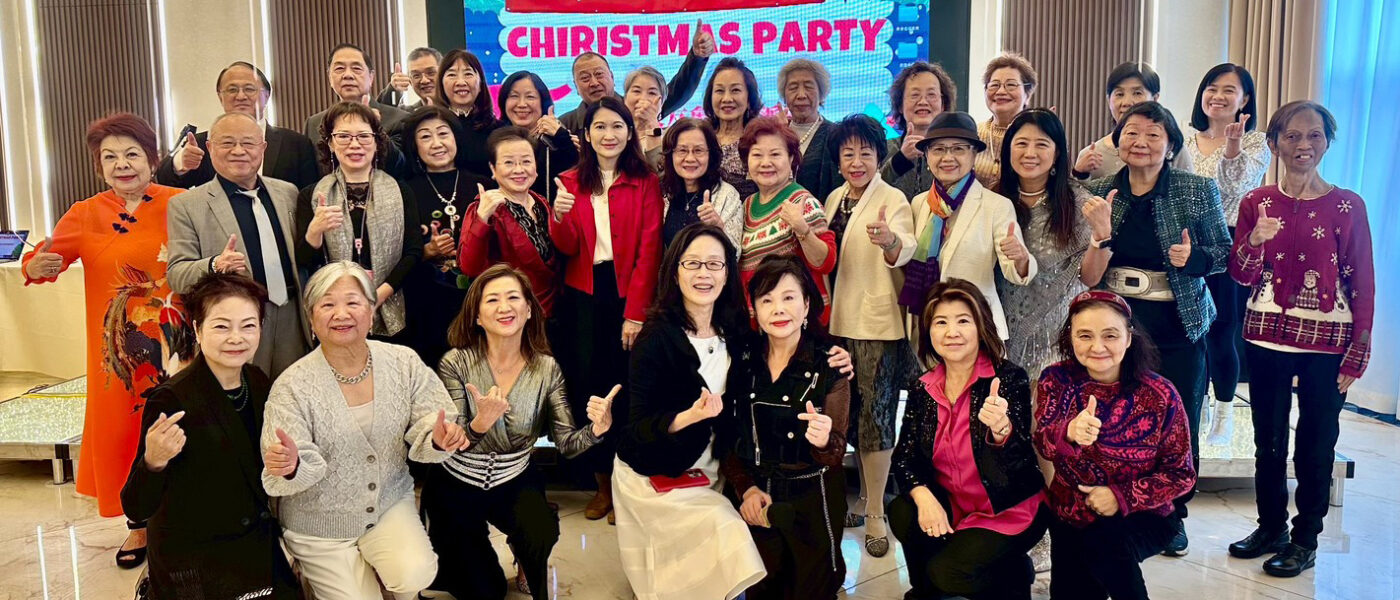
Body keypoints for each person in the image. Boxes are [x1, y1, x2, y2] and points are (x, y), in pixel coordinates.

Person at [21, 112, 194, 568]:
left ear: (152, 159)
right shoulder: (85, 213)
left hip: (176, 344)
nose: (122, 165)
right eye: (110, 157)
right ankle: (139, 524)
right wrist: (35, 265)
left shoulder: (181, 203)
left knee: (182, 423)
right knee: (127, 432)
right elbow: (45, 259)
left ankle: (185, 519)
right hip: (115, 354)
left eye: (132, 154)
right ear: (99, 167)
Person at [261, 261, 466, 600]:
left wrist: (438, 437)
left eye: (353, 302)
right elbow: (284, 463)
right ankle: (316, 573)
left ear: (372, 312)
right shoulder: (292, 385)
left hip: (387, 502)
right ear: (311, 318)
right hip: (320, 523)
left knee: (416, 573)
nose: (341, 314)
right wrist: (291, 465)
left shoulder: (403, 362)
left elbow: (433, 419)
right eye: (327, 304)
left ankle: (380, 572)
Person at [1227, 101, 1373, 577]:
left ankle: (1305, 538)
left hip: (1327, 345)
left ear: (1327, 142)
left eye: (1313, 135)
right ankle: (1270, 527)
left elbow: (1363, 281)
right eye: (1291, 136)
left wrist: (1358, 350)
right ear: (1273, 144)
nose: (1302, 145)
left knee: (1316, 443)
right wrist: (1254, 242)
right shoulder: (1256, 202)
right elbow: (1240, 276)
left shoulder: (1348, 206)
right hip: (1265, 339)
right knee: (1267, 441)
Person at [1081, 101, 1230, 556]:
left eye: (1152, 135)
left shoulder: (1196, 189)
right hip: (1116, 331)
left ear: (1170, 145)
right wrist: (1100, 234)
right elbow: (1086, 274)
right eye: (1131, 133)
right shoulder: (1100, 191)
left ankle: (1172, 514)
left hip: (1177, 325)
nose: (1140, 142)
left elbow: (1224, 253)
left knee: (1177, 421)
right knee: (1118, 419)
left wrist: (1195, 259)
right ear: (1118, 140)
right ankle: (1119, 503)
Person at [425, 264, 613, 600]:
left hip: (513, 477)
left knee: (539, 531)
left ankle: (525, 555)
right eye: (492, 300)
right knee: (485, 591)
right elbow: (453, 442)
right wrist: (481, 423)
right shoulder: (455, 362)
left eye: (513, 297)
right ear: (477, 316)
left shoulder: (547, 368)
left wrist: (597, 430)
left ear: (528, 310)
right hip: (456, 482)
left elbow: (567, 444)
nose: (504, 307)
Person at [121, 273, 301, 599]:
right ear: (197, 329)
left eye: (248, 325)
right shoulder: (171, 398)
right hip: (194, 555)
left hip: (252, 542)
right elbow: (135, 505)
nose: (236, 338)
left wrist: (288, 463)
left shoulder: (257, 381)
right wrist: (154, 461)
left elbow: (262, 467)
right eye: (221, 326)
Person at [613, 224, 767, 599]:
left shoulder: (737, 334)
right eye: (693, 263)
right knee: (725, 530)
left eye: (714, 264)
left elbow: (785, 348)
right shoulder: (655, 338)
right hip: (654, 470)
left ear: (728, 273)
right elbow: (636, 430)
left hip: (711, 466)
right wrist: (689, 417)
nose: (704, 273)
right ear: (675, 271)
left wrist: (832, 356)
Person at [888, 278, 1048, 600]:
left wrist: (1001, 430)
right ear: (928, 331)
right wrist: (924, 497)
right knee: (903, 511)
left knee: (948, 573)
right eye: (941, 322)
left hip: (1007, 509)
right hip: (954, 502)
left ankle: (1013, 574)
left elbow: (1020, 463)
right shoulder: (923, 387)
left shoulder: (1007, 379)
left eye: (963, 321)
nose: (952, 332)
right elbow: (904, 457)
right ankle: (926, 592)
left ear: (981, 326)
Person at [1034, 291, 1195, 600]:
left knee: (1106, 544)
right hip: (1071, 512)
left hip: (1143, 513)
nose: (1097, 347)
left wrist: (1120, 497)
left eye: (1110, 335)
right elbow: (1043, 443)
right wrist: (1069, 432)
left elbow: (1181, 475)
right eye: (1085, 335)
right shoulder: (1056, 380)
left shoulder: (1160, 394)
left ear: (1129, 337)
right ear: (1070, 337)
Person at [549, 96, 663, 523]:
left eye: (617, 126)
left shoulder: (645, 181)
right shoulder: (569, 181)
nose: (608, 134)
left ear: (630, 132)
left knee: (629, 387)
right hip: (582, 294)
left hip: (628, 292)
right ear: (586, 134)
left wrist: (636, 313)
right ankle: (600, 485)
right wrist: (559, 217)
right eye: (600, 126)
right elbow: (565, 248)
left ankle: (627, 484)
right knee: (589, 386)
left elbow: (650, 249)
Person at [722, 255, 851, 599]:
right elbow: (729, 438)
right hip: (757, 495)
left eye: (789, 297)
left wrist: (824, 441)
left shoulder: (831, 362)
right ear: (754, 310)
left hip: (813, 495)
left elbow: (835, 452)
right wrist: (746, 488)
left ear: (807, 305)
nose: (778, 309)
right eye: (767, 300)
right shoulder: (742, 359)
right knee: (760, 587)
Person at [820, 114, 919, 556]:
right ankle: (861, 497)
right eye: (848, 153)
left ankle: (877, 510)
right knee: (851, 412)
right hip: (837, 324)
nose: (856, 161)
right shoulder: (833, 198)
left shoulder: (892, 198)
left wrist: (889, 241)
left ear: (880, 156)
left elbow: (905, 247)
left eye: (865, 152)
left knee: (876, 418)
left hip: (876, 325)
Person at [167, 112, 309, 378]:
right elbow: (177, 275)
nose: (239, 151)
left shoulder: (287, 192)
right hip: (235, 323)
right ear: (210, 148)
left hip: (292, 315)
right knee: (243, 395)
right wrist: (214, 265)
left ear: (262, 148)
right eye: (227, 143)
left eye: (248, 143)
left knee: (296, 392)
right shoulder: (186, 205)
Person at [1182, 63, 1269, 445]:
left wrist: (1232, 146)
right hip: (1186, 242)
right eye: (1211, 88)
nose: (1217, 96)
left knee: (1221, 330)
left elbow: (1236, 187)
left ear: (1244, 99)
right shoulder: (1185, 140)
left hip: (1229, 241)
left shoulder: (1256, 142)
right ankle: (1195, 406)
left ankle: (1224, 413)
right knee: (1190, 330)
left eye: (1228, 90)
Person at [902, 111, 1037, 338]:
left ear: (974, 154)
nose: (947, 157)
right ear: (926, 155)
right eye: (938, 149)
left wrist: (1021, 259)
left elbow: (1014, 272)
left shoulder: (996, 206)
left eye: (958, 149)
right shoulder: (919, 203)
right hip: (926, 327)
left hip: (977, 328)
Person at [295, 101, 422, 340]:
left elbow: (413, 253)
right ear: (330, 143)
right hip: (336, 311)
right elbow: (304, 261)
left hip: (393, 305)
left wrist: (376, 297)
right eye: (343, 136)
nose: (354, 144)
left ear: (376, 141)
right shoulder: (311, 195)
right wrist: (315, 231)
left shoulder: (400, 191)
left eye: (363, 136)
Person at [997, 109, 1104, 382]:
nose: (1030, 153)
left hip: (1059, 340)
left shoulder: (1078, 204)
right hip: (1000, 338)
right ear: (1008, 150)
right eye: (1021, 143)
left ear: (1056, 154)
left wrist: (1101, 234)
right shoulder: (993, 201)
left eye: (1041, 144)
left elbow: (1090, 277)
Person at [399, 105, 490, 366]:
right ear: (414, 146)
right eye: (425, 137)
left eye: (443, 134)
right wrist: (427, 251)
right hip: (426, 302)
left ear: (456, 138)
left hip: (478, 300)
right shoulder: (404, 190)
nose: (437, 143)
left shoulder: (483, 184)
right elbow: (394, 253)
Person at [157, 61, 319, 190]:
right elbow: (162, 181)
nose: (241, 96)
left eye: (249, 89)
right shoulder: (200, 144)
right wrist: (180, 163)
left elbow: (309, 195)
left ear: (267, 95)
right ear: (220, 96)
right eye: (232, 90)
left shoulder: (296, 144)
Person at [737, 117, 837, 324]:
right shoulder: (747, 205)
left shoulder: (802, 201)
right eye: (757, 155)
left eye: (775, 154)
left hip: (799, 322)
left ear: (791, 158)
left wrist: (802, 229)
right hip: (760, 321)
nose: (766, 163)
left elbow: (825, 262)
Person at [459, 126, 561, 315]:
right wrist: (482, 218)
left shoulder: (542, 203)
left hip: (554, 310)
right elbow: (469, 267)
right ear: (493, 168)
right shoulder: (484, 208)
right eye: (508, 163)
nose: (519, 169)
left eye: (526, 161)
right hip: (511, 312)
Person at [557, 23, 715, 134]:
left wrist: (697, 58)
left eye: (599, 74)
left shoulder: (637, 107)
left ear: (612, 77)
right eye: (585, 78)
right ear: (576, 87)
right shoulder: (565, 125)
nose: (594, 83)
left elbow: (678, 91)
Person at [1073, 62, 1193, 180]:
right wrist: (1079, 173)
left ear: (1155, 98)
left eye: (1137, 93)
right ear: (1109, 100)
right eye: (1119, 94)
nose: (1127, 102)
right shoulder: (1091, 155)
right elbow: (1076, 191)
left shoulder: (1172, 147)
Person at [658, 118, 742, 249]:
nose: (690, 158)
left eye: (698, 150)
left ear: (711, 155)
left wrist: (718, 227)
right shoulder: (663, 194)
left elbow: (735, 253)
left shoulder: (728, 195)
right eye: (682, 150)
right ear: (671, 155)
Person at [304, 44, 409, 148]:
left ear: (371, 77)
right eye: (340, 68)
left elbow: (399, 158)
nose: (348, 75)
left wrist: (374, 130)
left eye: (356, 68)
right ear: (329, 77)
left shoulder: (399, 120)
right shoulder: (314, 123)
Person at [880, 61, 958, 201]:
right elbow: (869, 193)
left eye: (931, 95)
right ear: (900, 105)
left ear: (943, 105)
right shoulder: (884, 148)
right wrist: (901, 160)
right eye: (915, 95)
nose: (923, 102)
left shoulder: (956, 151)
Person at [498, 70, 578, 199]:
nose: (522, 104)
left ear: (543, 102)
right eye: (514, 96)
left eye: (530, 97)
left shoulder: (556, 144)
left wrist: (562, 138)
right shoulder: (494, 140)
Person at [779, 58, 841, 201]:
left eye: (808, 87)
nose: (801, 95)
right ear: (784, 96)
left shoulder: (836, 135)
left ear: (822, 94)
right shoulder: (774, 135)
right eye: (793, 88)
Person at [437, 49, 505, 179]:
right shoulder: (433, 127)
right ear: (441, 83)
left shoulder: (499, 130)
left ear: (480, 84)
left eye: (468, 74)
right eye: (452, 75)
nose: (461, 82)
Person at [974, 52, 1038, 189]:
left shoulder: (1039, 136)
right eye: (994, 85)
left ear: (1027, 95)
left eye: (1011, 85)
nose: (1001, 92)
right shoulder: (973, 134)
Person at [704, 57, 763, 198]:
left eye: (735, 90)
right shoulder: (700, 137)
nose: (727, 99)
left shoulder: (759, 141)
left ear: (749, 99)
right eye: (719, 91)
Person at [623, 66, 669, 169]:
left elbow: (660, 171)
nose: (643, 98)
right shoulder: (616, 135)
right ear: (625, 98)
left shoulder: (671, 138)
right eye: (636, 91)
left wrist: (652, 124)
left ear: (662, 103)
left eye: (652, 93)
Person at [377, 46, 442, 110]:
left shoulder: (449, 110)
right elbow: (379, 112)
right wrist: (392, 89)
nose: (424, 80)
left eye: (431, 73)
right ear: (410, 81)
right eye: (416, 75)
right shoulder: (407, 114)